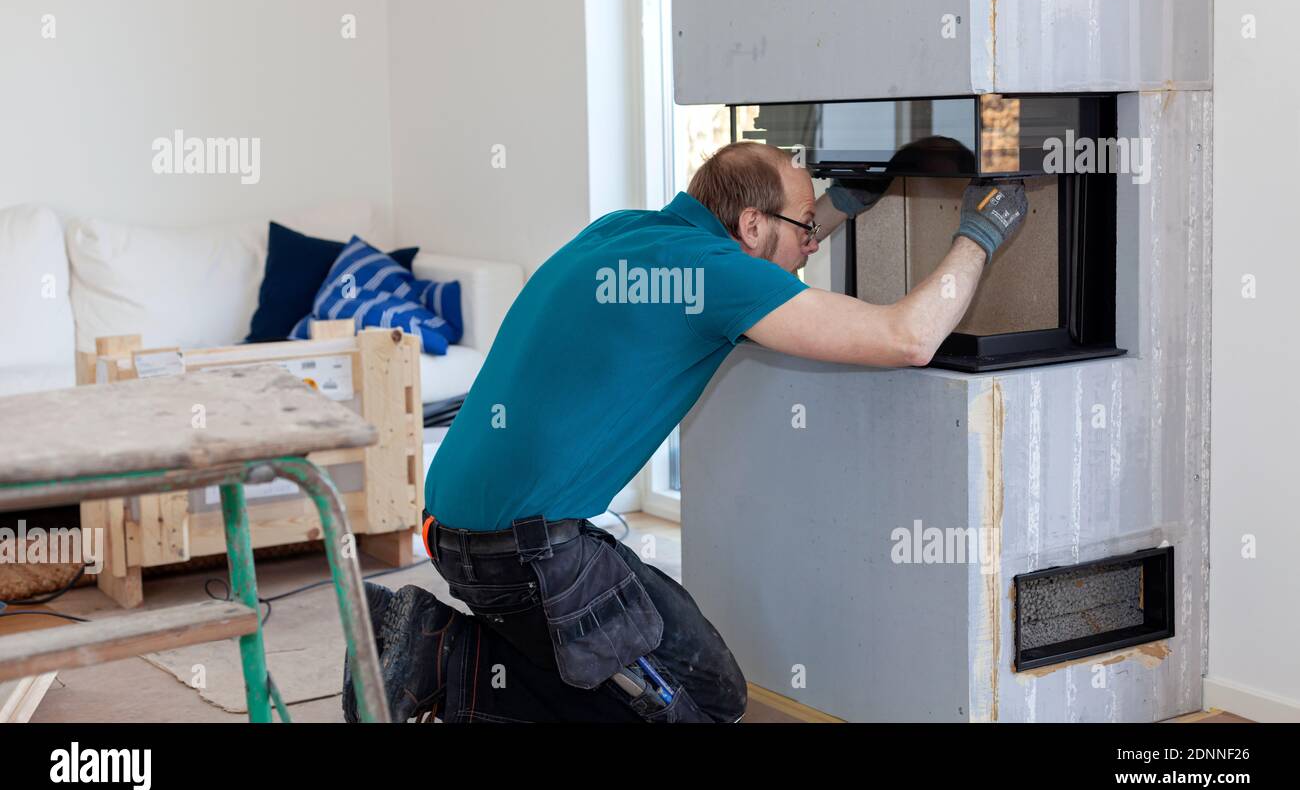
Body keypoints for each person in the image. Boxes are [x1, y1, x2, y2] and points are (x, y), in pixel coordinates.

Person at [345, 141, 1027, 722]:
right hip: (522, 553)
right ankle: (437, 657)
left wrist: (840, 205)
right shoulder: (718, 277)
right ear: (753, 225)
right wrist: (982, 234)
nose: (812, 246)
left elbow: (762, 256)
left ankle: (438, 650)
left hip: (471, 524)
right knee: (677, 708)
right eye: (805, 231)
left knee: (712, 685)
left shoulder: (626, 231)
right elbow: (907, 337)